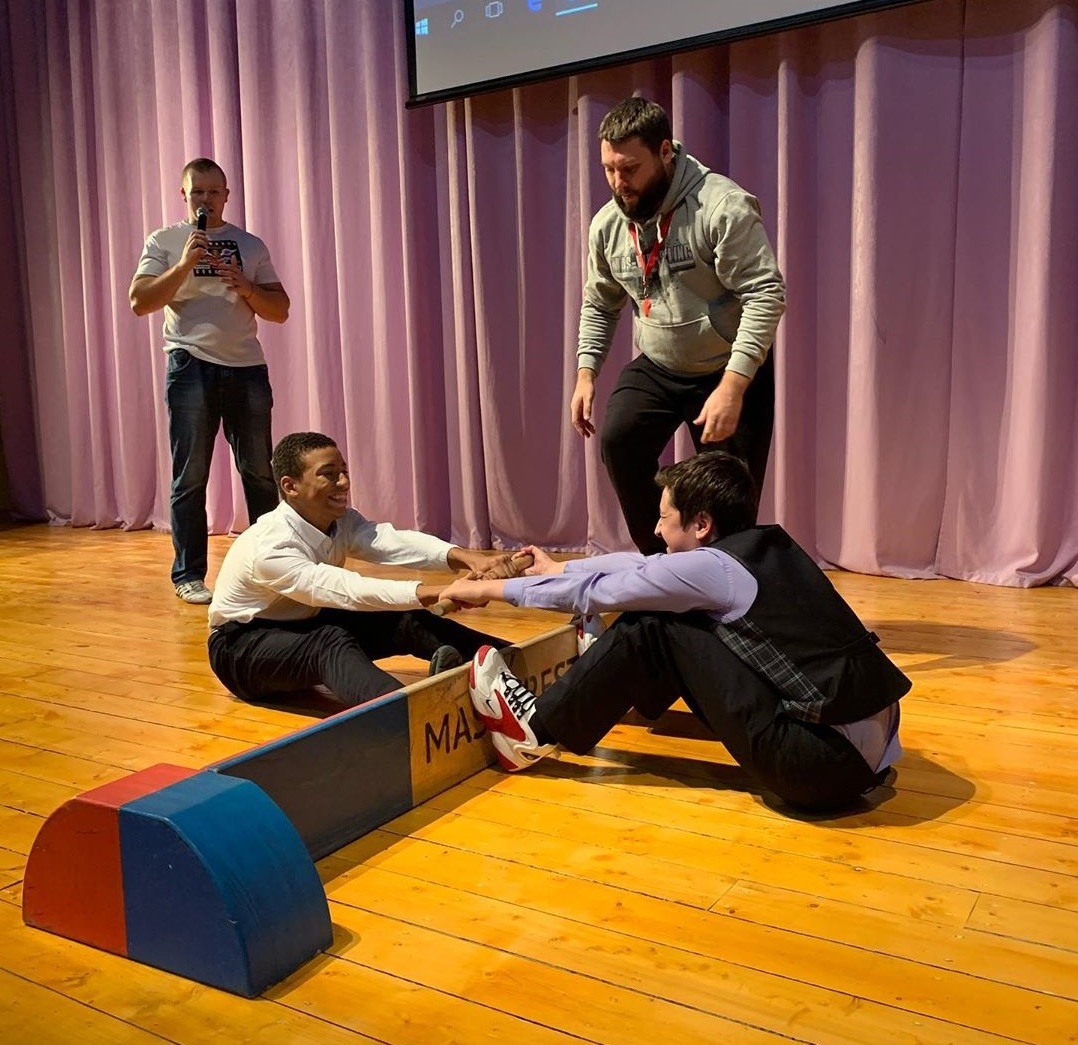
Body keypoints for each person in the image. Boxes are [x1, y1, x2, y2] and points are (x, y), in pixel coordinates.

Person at [440, 452, 910, 812]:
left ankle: (532, 731)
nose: (657, 528)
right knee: (674, 613)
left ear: (701, 524)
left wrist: (488, 590)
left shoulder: (710, 571)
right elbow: (645, 567)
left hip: (817, 767)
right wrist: (559, 567)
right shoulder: (760, 549)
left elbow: (597, 594)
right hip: (864, 758)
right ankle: (619, 685)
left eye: (664, 518)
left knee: (654, 622)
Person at [571, 97, 786, 554]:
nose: (618, 183)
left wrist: (733, 387)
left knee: (726, 503)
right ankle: (662, 565)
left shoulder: (721, 206)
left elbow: (765, 294)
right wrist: (586, 372)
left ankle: (724, 581)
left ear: (665, 152)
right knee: (620, 439)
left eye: (630, 169)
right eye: (609, 169)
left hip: (725, 366)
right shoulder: (608, 225)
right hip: (659, 363)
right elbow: (600, 302)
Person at [207, 431, 509, 708]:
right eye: (328, 475)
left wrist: (467, 557)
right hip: (240, 651)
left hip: (301, 625)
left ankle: (509, 664)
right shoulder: (270, 546)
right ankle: (412, 713)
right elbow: (344, 589)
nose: (343, 483)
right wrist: (442, 592)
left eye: (344, 471)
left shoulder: (340, 520)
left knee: (403, 616)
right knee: (329, 643)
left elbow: (389, 541)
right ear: (290, 486)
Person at [129, 158, 290, 605]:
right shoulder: (164, 241)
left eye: (213, 192)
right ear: (184, 195)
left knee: (260, 473)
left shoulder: (249, 244)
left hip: (246, 368)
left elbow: (280, 310)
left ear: (226, 195)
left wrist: (247, 288)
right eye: (197, 192)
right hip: (190, 365)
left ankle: (271, 567)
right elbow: (140, 301)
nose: (205, 200)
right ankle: (189, 574)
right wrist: (185, 264)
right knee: (190, 477)